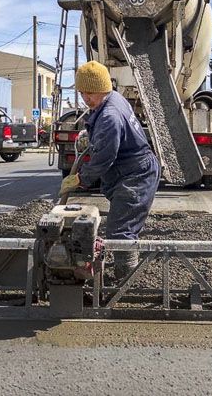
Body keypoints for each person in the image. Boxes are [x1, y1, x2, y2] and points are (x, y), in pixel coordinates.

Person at [59, 61, 160, 278]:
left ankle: (126, 281)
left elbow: (103, 159)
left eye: (89, 92)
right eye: (82, 92)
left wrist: (80, 179)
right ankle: (124, 277)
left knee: (121, 232)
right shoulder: (114, 99)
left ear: (101, 87)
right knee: (121, 227)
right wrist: (92, 137)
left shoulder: (109, 116)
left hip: (136, 175)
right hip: (131, 171)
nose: (85, 98)